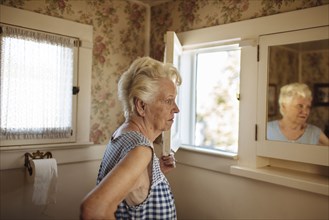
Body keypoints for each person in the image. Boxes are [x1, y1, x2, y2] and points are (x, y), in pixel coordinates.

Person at [80, 57, 182, 220]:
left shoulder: (122, 134)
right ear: (141, 106)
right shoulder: (140, 151)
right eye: (169, 101)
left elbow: (132, 194)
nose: (176, 109)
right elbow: (93, 210)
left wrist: (156, 171)